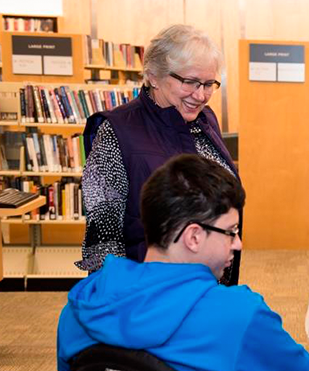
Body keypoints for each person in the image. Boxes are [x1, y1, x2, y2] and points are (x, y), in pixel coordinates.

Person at [57, 154, 309, 371]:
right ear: (194, 236)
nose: (238, 244)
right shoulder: (240, 316)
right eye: (231, 231)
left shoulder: (80, 306)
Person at [77, 24, 241, 285]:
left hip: (207, 286)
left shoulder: (206, 120)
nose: (200, 95)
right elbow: (103, 232)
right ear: (153, 76)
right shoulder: (115, 131)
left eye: (209, 84)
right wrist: (119, 299)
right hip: (147, 291)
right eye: (190, 82)